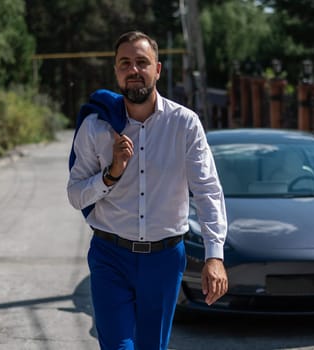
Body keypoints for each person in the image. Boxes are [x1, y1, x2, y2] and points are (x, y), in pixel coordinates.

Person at [67, 30, 228, 350]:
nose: (133, 69)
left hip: (165, 258)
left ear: (158, 69)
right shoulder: (95, 127)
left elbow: (207, 190)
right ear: (116, 71)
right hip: (110, 256)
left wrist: (215, 255)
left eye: (142, 62)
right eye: (125, 63)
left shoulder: (185, 124)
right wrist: (110, 175)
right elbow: (75, 195)